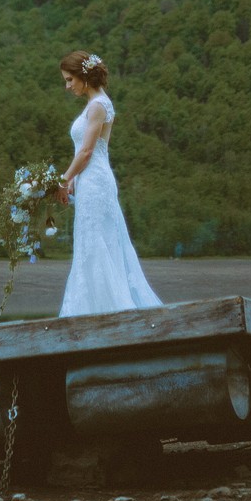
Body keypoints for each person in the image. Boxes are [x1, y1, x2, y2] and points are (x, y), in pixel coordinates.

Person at [57, 49, 163, 317]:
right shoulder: (99, 104)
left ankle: (106, 314)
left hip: (95, 182)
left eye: (70, 80)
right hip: (92, 179)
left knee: (96, 244)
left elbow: (87, 152)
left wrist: (64, 179)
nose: (67, 86)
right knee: (92, 244)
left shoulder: (97, 106)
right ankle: (94, 312)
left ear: (83, 77)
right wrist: (74, 180)